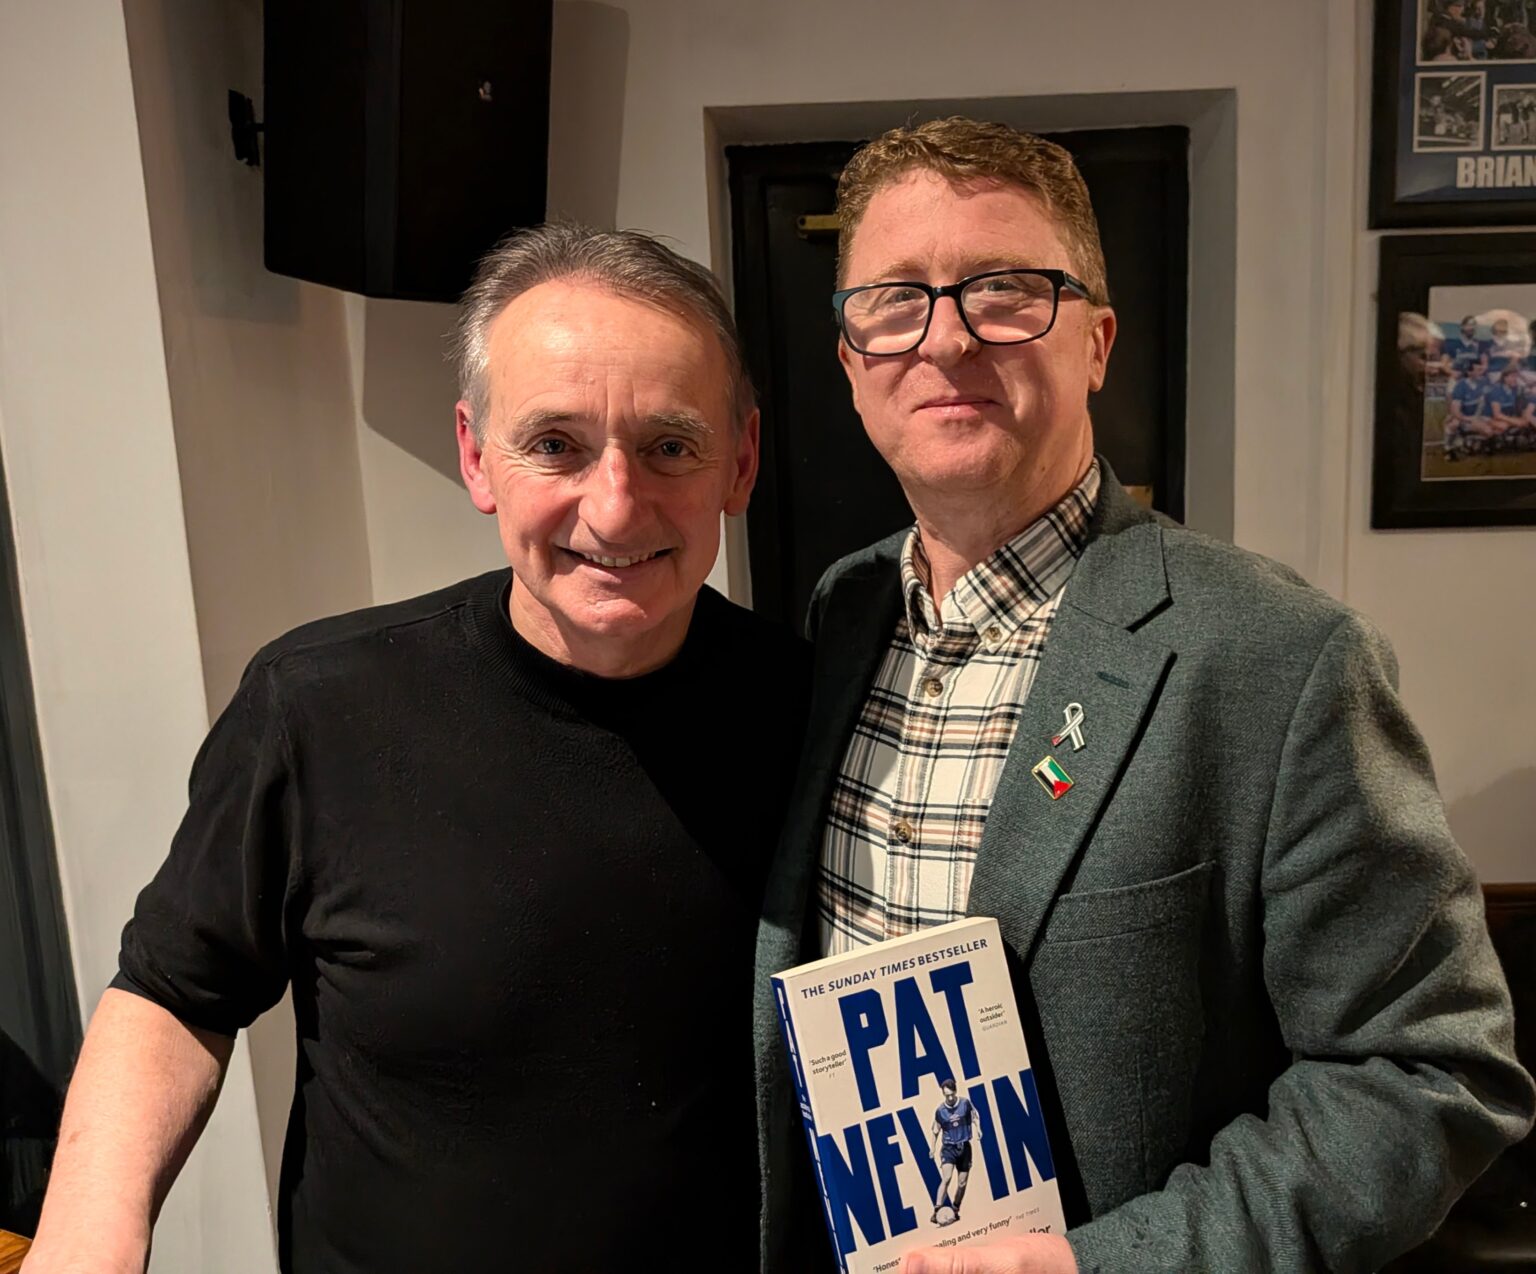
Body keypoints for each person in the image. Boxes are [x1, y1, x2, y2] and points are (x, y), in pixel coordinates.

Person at [754, 117, 1534, 1274]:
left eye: (1004, 290)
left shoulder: (1282, 658)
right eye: (895, 299)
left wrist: (1104, 1265)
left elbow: (1428, 1071)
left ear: (1098, 342)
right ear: (851, 360)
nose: (947, 336)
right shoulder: (843, 610)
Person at [24, 224, 810, 1274]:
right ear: (477, 456)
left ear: (740, 462)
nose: (616, 506)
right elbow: (174, 992)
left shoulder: (813, 710)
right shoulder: (318, 705)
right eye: (556, 444)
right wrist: (89, 1235)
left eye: (670, 445)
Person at [930, 1079, 979, 1225]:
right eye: (947, 1095)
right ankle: (937, 1210)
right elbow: (935, 1131)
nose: (950, 1098)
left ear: (955, 1091)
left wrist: (978, 1128)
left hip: (964, 1147)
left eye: (951, 1094)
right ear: (943, 1094)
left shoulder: (965, 1104)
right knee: (947, 1178)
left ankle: (955, 1209)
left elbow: (975, 1116)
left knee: (962, 1183)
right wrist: (932, 1148)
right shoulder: (940, 1111)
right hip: (949, 1148)